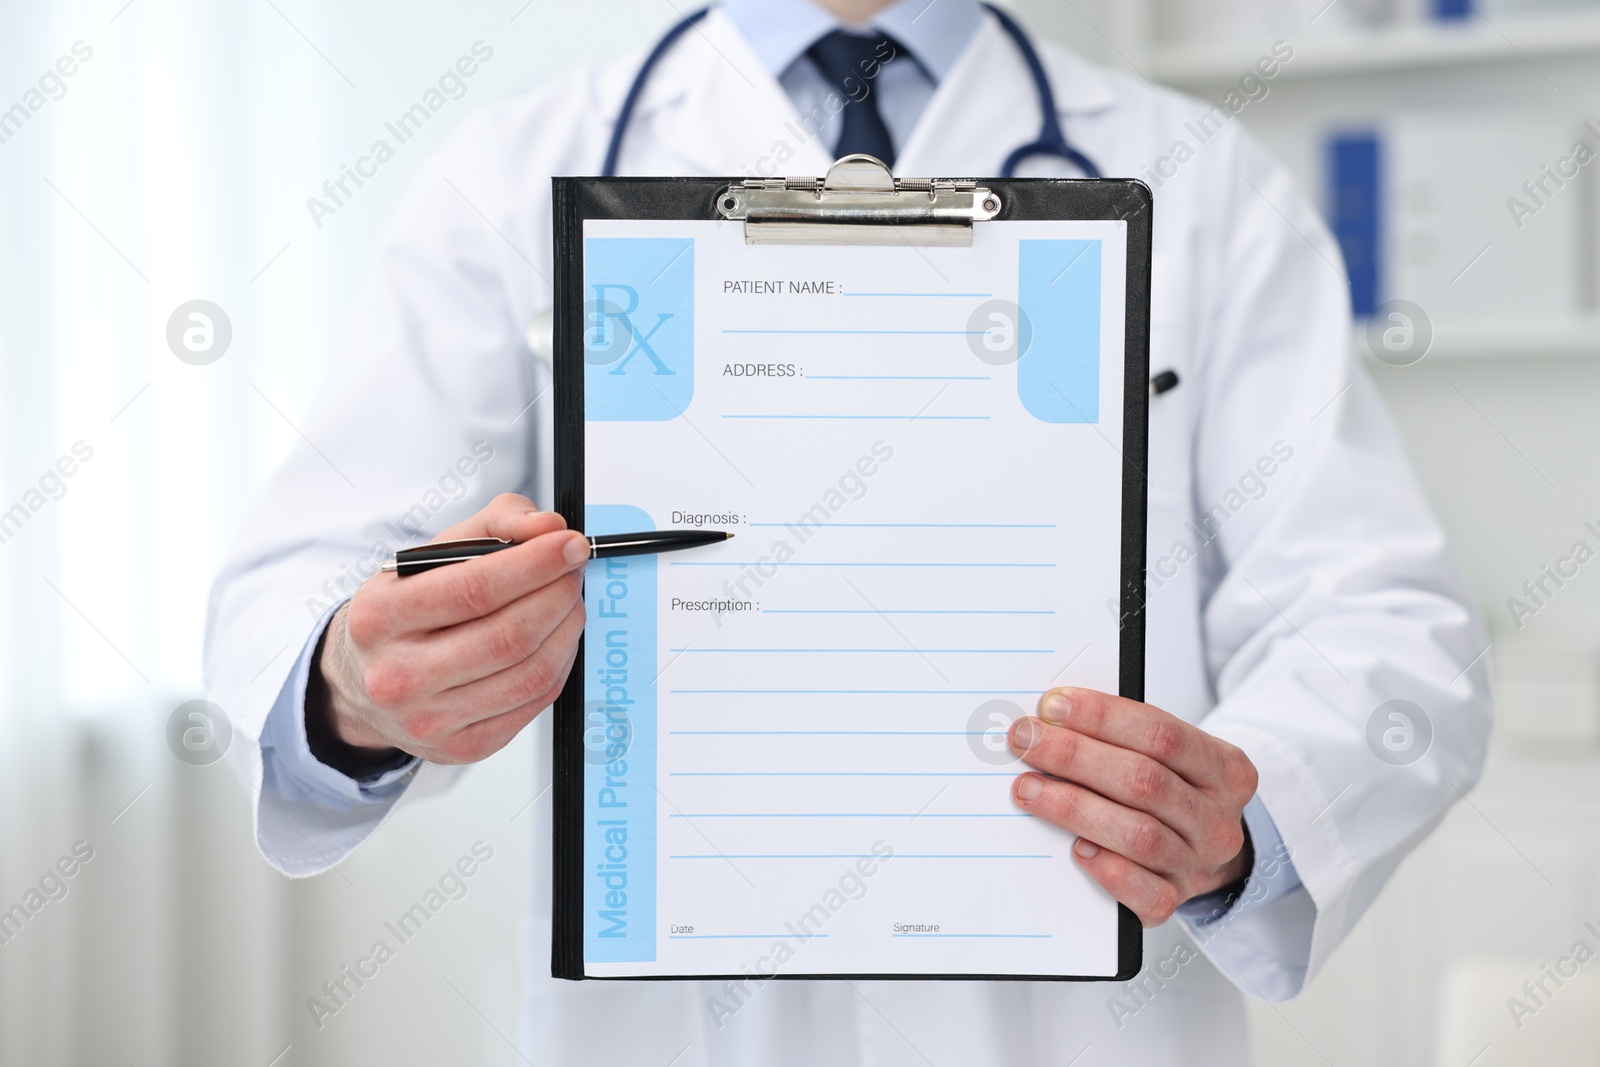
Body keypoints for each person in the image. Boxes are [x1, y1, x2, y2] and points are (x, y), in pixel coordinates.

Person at [204, 0, 1492, 1063]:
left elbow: (1384, 621)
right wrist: (356, 687)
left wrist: (1230, 816)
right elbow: (310, 571)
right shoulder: (505, 174)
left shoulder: (1208, 182)